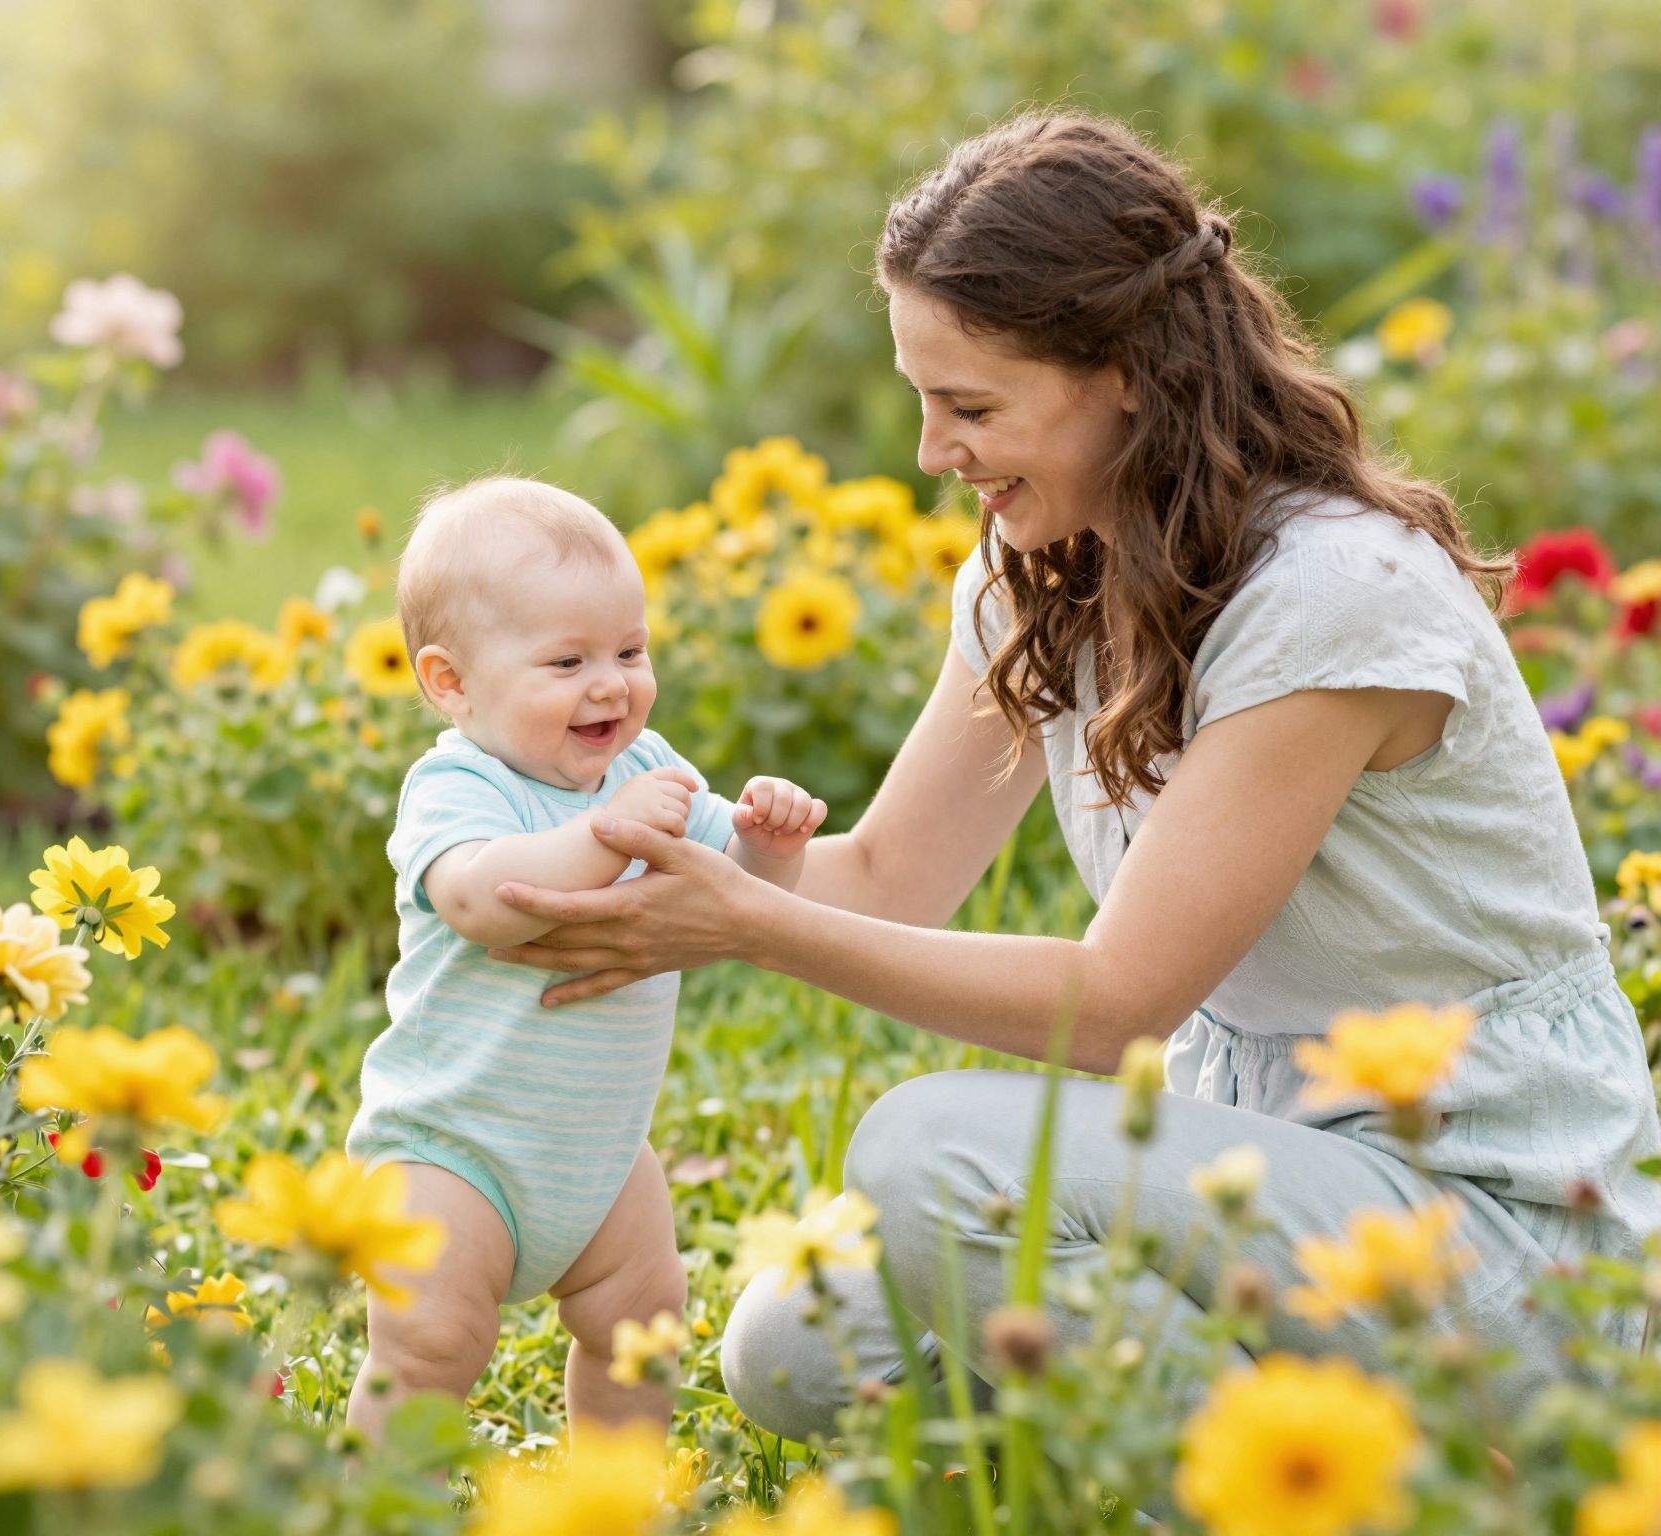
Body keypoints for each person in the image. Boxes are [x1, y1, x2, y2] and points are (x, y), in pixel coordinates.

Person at [482, 112, 1661, 1437]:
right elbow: (885, 877)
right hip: (1270, 1181)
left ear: (1128, 376)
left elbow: (1118, 1009)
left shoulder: (1332, 596)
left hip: (1497, 1219)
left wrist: (747, 924)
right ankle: (1294, 1420)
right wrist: (608, 858)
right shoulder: (1042, 572)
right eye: (922, 399)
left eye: (971, 407)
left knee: (927, 1156)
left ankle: (1323, 1487)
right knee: (796, 1350)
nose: (932, 453)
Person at [342, 477, 828, 1439]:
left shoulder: (647, 771)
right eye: (567, 661)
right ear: (451, 683)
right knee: (431, 1343)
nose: (610, 684)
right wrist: (609, 834)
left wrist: (770, 846)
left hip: (600, 1157)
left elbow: (739, 902)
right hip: (452, 1151)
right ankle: (381, 1498)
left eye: (629, 651)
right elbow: (481, 897)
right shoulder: (458, 785)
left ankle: (617, 1492)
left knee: (642, 1327)